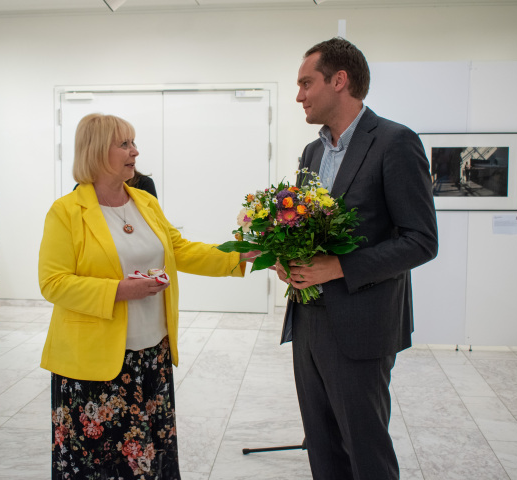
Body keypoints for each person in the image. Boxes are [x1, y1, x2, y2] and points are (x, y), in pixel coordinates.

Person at [39, 113, 252, 480]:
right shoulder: (66, 212)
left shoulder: (144, 202)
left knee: (148, 461)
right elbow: (53, 282)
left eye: (133, 142)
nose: (135, 151)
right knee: (99, 466)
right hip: (93, 366)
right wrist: (121, 290)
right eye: (124, 144)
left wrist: (238, 255)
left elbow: (180, 250)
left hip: (151, 356)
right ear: (95, 151)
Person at [277, 38, 438, 479]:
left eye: (306, 83)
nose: (299, 96)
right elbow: (307, 229)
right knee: (323, 449)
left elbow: (422, 240)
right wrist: (287, 258)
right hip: (308, 321)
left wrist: (339, 267)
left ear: (339, 80)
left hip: (363, 324)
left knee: (365, 452)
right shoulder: (312, 152)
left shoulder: (394, 142)